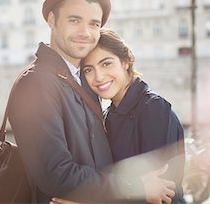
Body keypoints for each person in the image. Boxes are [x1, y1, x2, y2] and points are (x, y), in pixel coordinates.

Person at [8, 0, 176, 204]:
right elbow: (55, 174)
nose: (85, 32)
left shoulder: (82, 81)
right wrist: (133, 186)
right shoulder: (36, 83)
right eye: (74, 20)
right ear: (52, 20)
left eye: (94, 24)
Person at [80, 28, 186, 204]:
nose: (98, 77)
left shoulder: (153, 108)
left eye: (106, 64)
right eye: (88, 70)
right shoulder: (109, 114)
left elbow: (158, 192)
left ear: (126, 62)